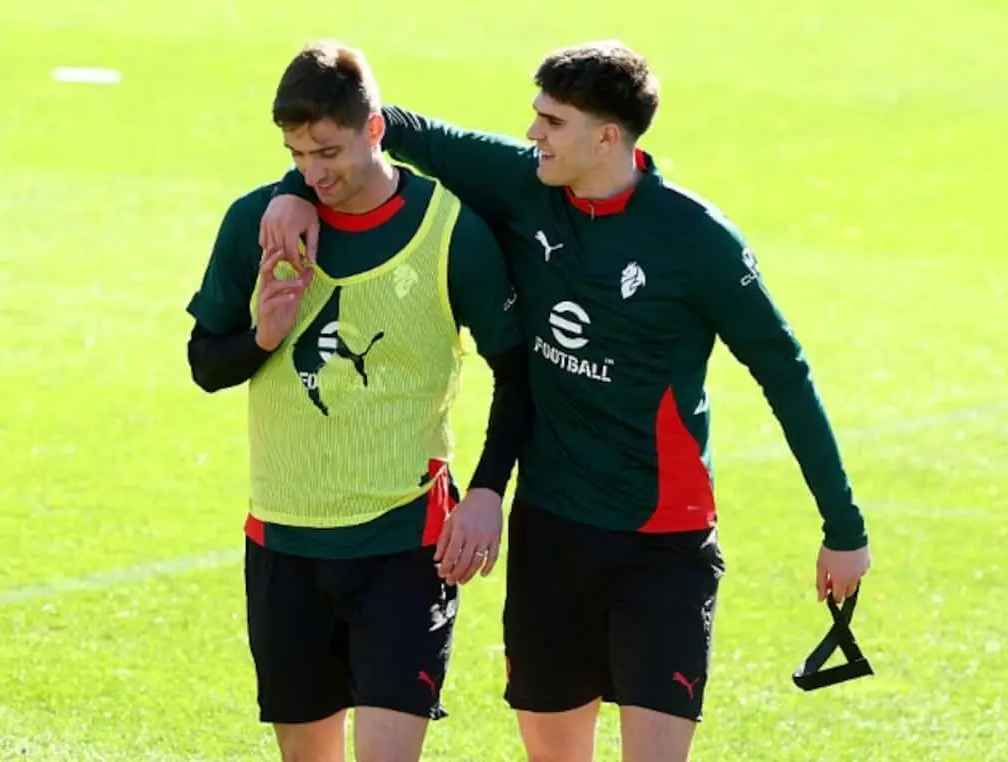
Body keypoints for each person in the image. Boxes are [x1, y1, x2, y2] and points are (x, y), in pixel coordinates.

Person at [259, 40, 872, 762]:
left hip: (663, 541)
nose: (533, 134)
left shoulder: (697, 241)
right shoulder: (522, 181)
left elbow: (785, 374)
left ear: (607, 137)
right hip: (550, 535)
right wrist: (294, 189)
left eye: (552, 122)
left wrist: (843, 527)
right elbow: (375, 127)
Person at [185, 40, 529, 762]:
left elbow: (517, 373)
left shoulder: (451, 233)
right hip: (284, 540)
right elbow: (206, 365)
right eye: (296, 155)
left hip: (405, 545)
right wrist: (263, 337)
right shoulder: (259, 222)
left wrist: (487, 492)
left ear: (375, 130)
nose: (314, 174)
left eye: (328, 153)